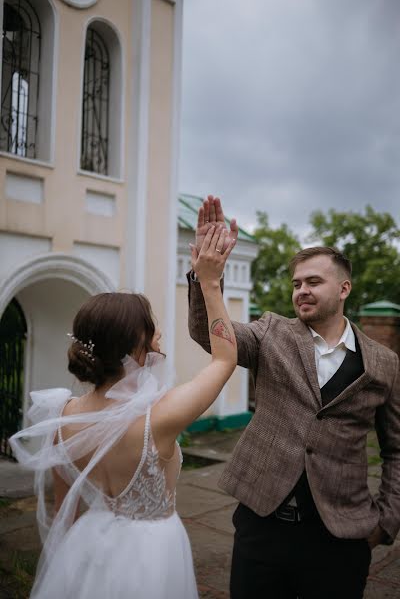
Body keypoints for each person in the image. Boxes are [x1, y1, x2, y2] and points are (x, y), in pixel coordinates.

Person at [187, 195, 400, 599]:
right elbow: (208, 334)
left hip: (341, 536)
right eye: (296, 283)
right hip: (261, 526)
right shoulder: (271, 333)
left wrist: (386, 521)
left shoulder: (384, 363)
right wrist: (203, 276)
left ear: (344, 288)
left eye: (313, 282)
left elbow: (396, 449)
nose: (301, 290)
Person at [10, 225, 237, 599]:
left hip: (88, 546)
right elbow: (226, 358)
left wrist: (74, 568)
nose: (159, 335)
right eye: (153, 328)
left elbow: (64, 513)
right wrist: (210, 284)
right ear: (137, 344)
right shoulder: (160, 419)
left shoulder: (62, 417)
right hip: (152, 552)